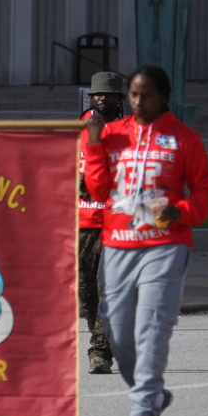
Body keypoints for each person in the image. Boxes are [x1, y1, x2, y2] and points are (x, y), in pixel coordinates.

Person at [84, 64, 208, 416]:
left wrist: (183, 211)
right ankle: (154, 394)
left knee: (152, 326)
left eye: (147, 96)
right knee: (118, 331)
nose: (138, 102)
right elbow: (99, 186)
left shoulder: (184, 139)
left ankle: (142, 412)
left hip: (166, 244)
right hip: (119, 243)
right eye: (134, 95)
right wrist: (94, 145)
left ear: (163, 98)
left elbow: (206, 191)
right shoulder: (112, 134)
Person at [79, 71, 126, 375]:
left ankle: (100, 353)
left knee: (108, 290)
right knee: (86, 296)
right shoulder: (75, 129)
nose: (103, 98)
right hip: (81, 221)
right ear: (91, 97)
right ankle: (110, 335)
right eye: (99, 94)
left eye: (109, 94)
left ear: (119, 98)